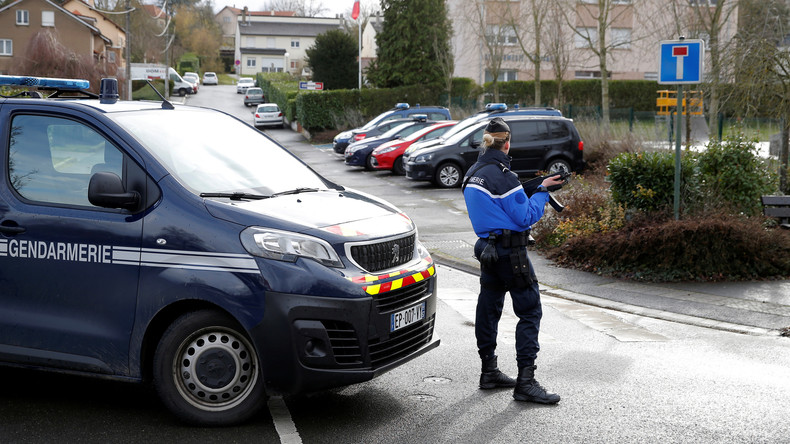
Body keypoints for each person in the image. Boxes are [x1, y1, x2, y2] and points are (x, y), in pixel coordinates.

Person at [461, 117, 564, 404]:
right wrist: (542, 192)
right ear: (507, 143)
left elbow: (497, 207)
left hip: (488, 251)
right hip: (511, 254)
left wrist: (533, 185)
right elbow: (525, 216)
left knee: (489, 309)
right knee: (529, 312)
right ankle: (526, 383)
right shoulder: (504, 175)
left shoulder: (474, 171)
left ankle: (489, 371)